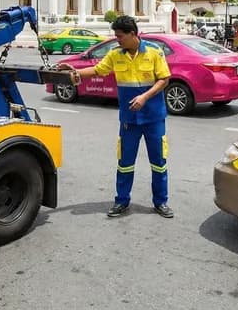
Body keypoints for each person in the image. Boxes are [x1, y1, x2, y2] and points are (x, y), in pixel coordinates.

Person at [58, 16, 174, 218]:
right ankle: (121, 201)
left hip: (153, 118)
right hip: (129, 119)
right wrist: (75, 73)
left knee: (159, 162)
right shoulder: (115, 54)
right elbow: (97, 69)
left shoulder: (155, 51)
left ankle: (161, 202)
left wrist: (144, 97)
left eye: (120, 36)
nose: (117, 39)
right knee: (125, 162)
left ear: (132, 34)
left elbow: (164, 79)